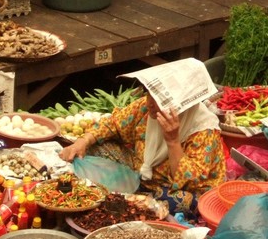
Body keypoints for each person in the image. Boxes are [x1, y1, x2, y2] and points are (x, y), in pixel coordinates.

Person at [59, 61, 226, 213]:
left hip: (178, 188)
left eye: (160, 100)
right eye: (149, 95)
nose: (150, 103)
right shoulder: (145, 108)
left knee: (181, 201)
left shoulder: (203, 129)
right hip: (144, 173)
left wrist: (173, 141)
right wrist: (82, 141)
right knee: (96, 146)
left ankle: (134, 196)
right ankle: (134, 193)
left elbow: (189, 182)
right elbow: (113, 124)